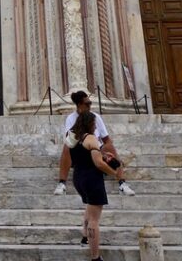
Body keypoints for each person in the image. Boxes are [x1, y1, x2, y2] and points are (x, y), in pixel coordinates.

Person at [54, 90, 135, 196]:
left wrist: (106, 151)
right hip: (80, 151)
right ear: (79, 105)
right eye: (87, 104)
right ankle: (62, 183)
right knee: (66, 147)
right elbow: (69, 139)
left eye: (90, 103)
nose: (90, 106)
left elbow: (106, 139)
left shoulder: (96, 117)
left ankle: (122, 183)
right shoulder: (71, 118)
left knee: (110, 147)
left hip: (96, 149)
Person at [67, 109, 122, 261]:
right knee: (94, 220)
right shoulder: (90, 138)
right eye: (94, 124)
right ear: (89, 124)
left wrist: (103, 155)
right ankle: (95, 257)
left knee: (90, 208)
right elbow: (98, 163)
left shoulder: (72, 136)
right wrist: (114, 173)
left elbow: (84, 155)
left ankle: (85, 237)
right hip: (91, 179)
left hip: (78, 177)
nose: (95, 127)